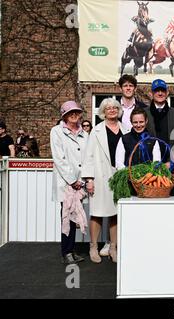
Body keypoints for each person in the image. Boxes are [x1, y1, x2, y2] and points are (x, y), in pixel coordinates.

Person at [82, 98, 128, 264]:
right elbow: (88, 156)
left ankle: (113, 248)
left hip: (119, 176)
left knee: (116, 212)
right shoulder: (96, 131)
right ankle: (93, 247)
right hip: (100, 175)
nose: (112, 110)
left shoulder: (126, 128)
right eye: (108, 108)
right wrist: (89, 179)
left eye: (115, 107)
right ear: (103, 112)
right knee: (97, 213)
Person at [50, 101, 87, 264]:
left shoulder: (84, 134)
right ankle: (66, 252)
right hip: (66, 183)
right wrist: (72, 180)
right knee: (66, 216)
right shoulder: (57, 131)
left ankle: (71, 250)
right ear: (64, 115)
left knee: (75, 216)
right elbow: (59, 158)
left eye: (77, 112)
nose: (74, 115)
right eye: (70, 112)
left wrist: (82, 180)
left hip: (79, 183)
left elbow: (87, 158)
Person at [145, 79, 174, 150]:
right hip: (149, 157)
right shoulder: (144, 113)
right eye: (157, 91)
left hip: (171, 156)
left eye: (163, 91)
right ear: (151, 93)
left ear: (167, 93)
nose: (160, 93)